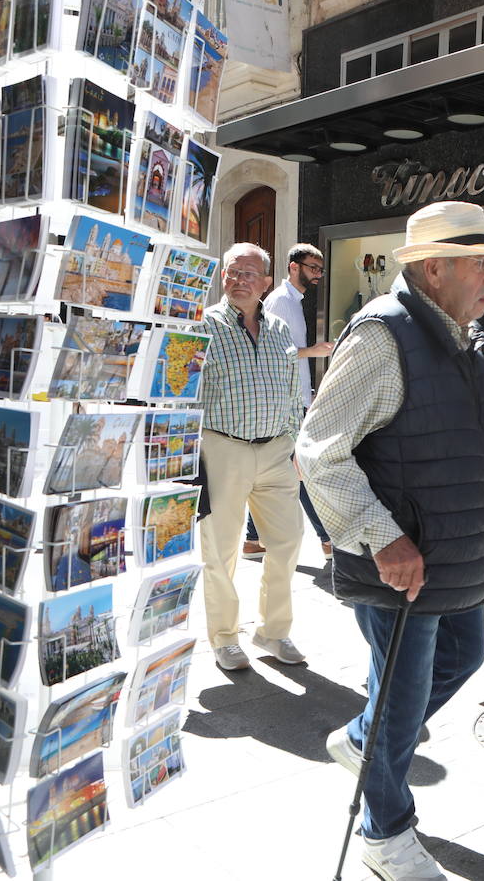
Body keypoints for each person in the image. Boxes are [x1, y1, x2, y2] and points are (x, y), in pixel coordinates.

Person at [297, 201, 484, 881]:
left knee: (462, 656)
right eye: (482, 264)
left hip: (449, 554)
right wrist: (383, 539)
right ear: (434, 268)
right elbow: (318, 451)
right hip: (402, 560)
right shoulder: (383, 336)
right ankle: (384, 833)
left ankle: (365, 739)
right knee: (402, 696)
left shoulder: (456, 337)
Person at [197, 243, 306, 671]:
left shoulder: (279, 328)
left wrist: (294, 442)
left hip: (277, 448)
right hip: (223, 446)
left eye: (248, 273)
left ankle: (273, 632)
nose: (238, 280)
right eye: (232, 271)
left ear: (265, 282)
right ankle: (225, 638)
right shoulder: (203, 325)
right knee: (221, 550)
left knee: (288, 541)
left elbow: (291, 390)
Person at [259, 242, 336, 559]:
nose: (318, 274)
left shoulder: (293, 301)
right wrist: (313, 351)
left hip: (294, 398)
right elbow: (270, 352)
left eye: (320, 269)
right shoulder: (280, 301)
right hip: (284, 401)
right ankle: (328, 539)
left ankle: (252, 537)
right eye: (313, 268)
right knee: (301, 468)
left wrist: (308, 392)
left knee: (287, 468)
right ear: (293, 267)